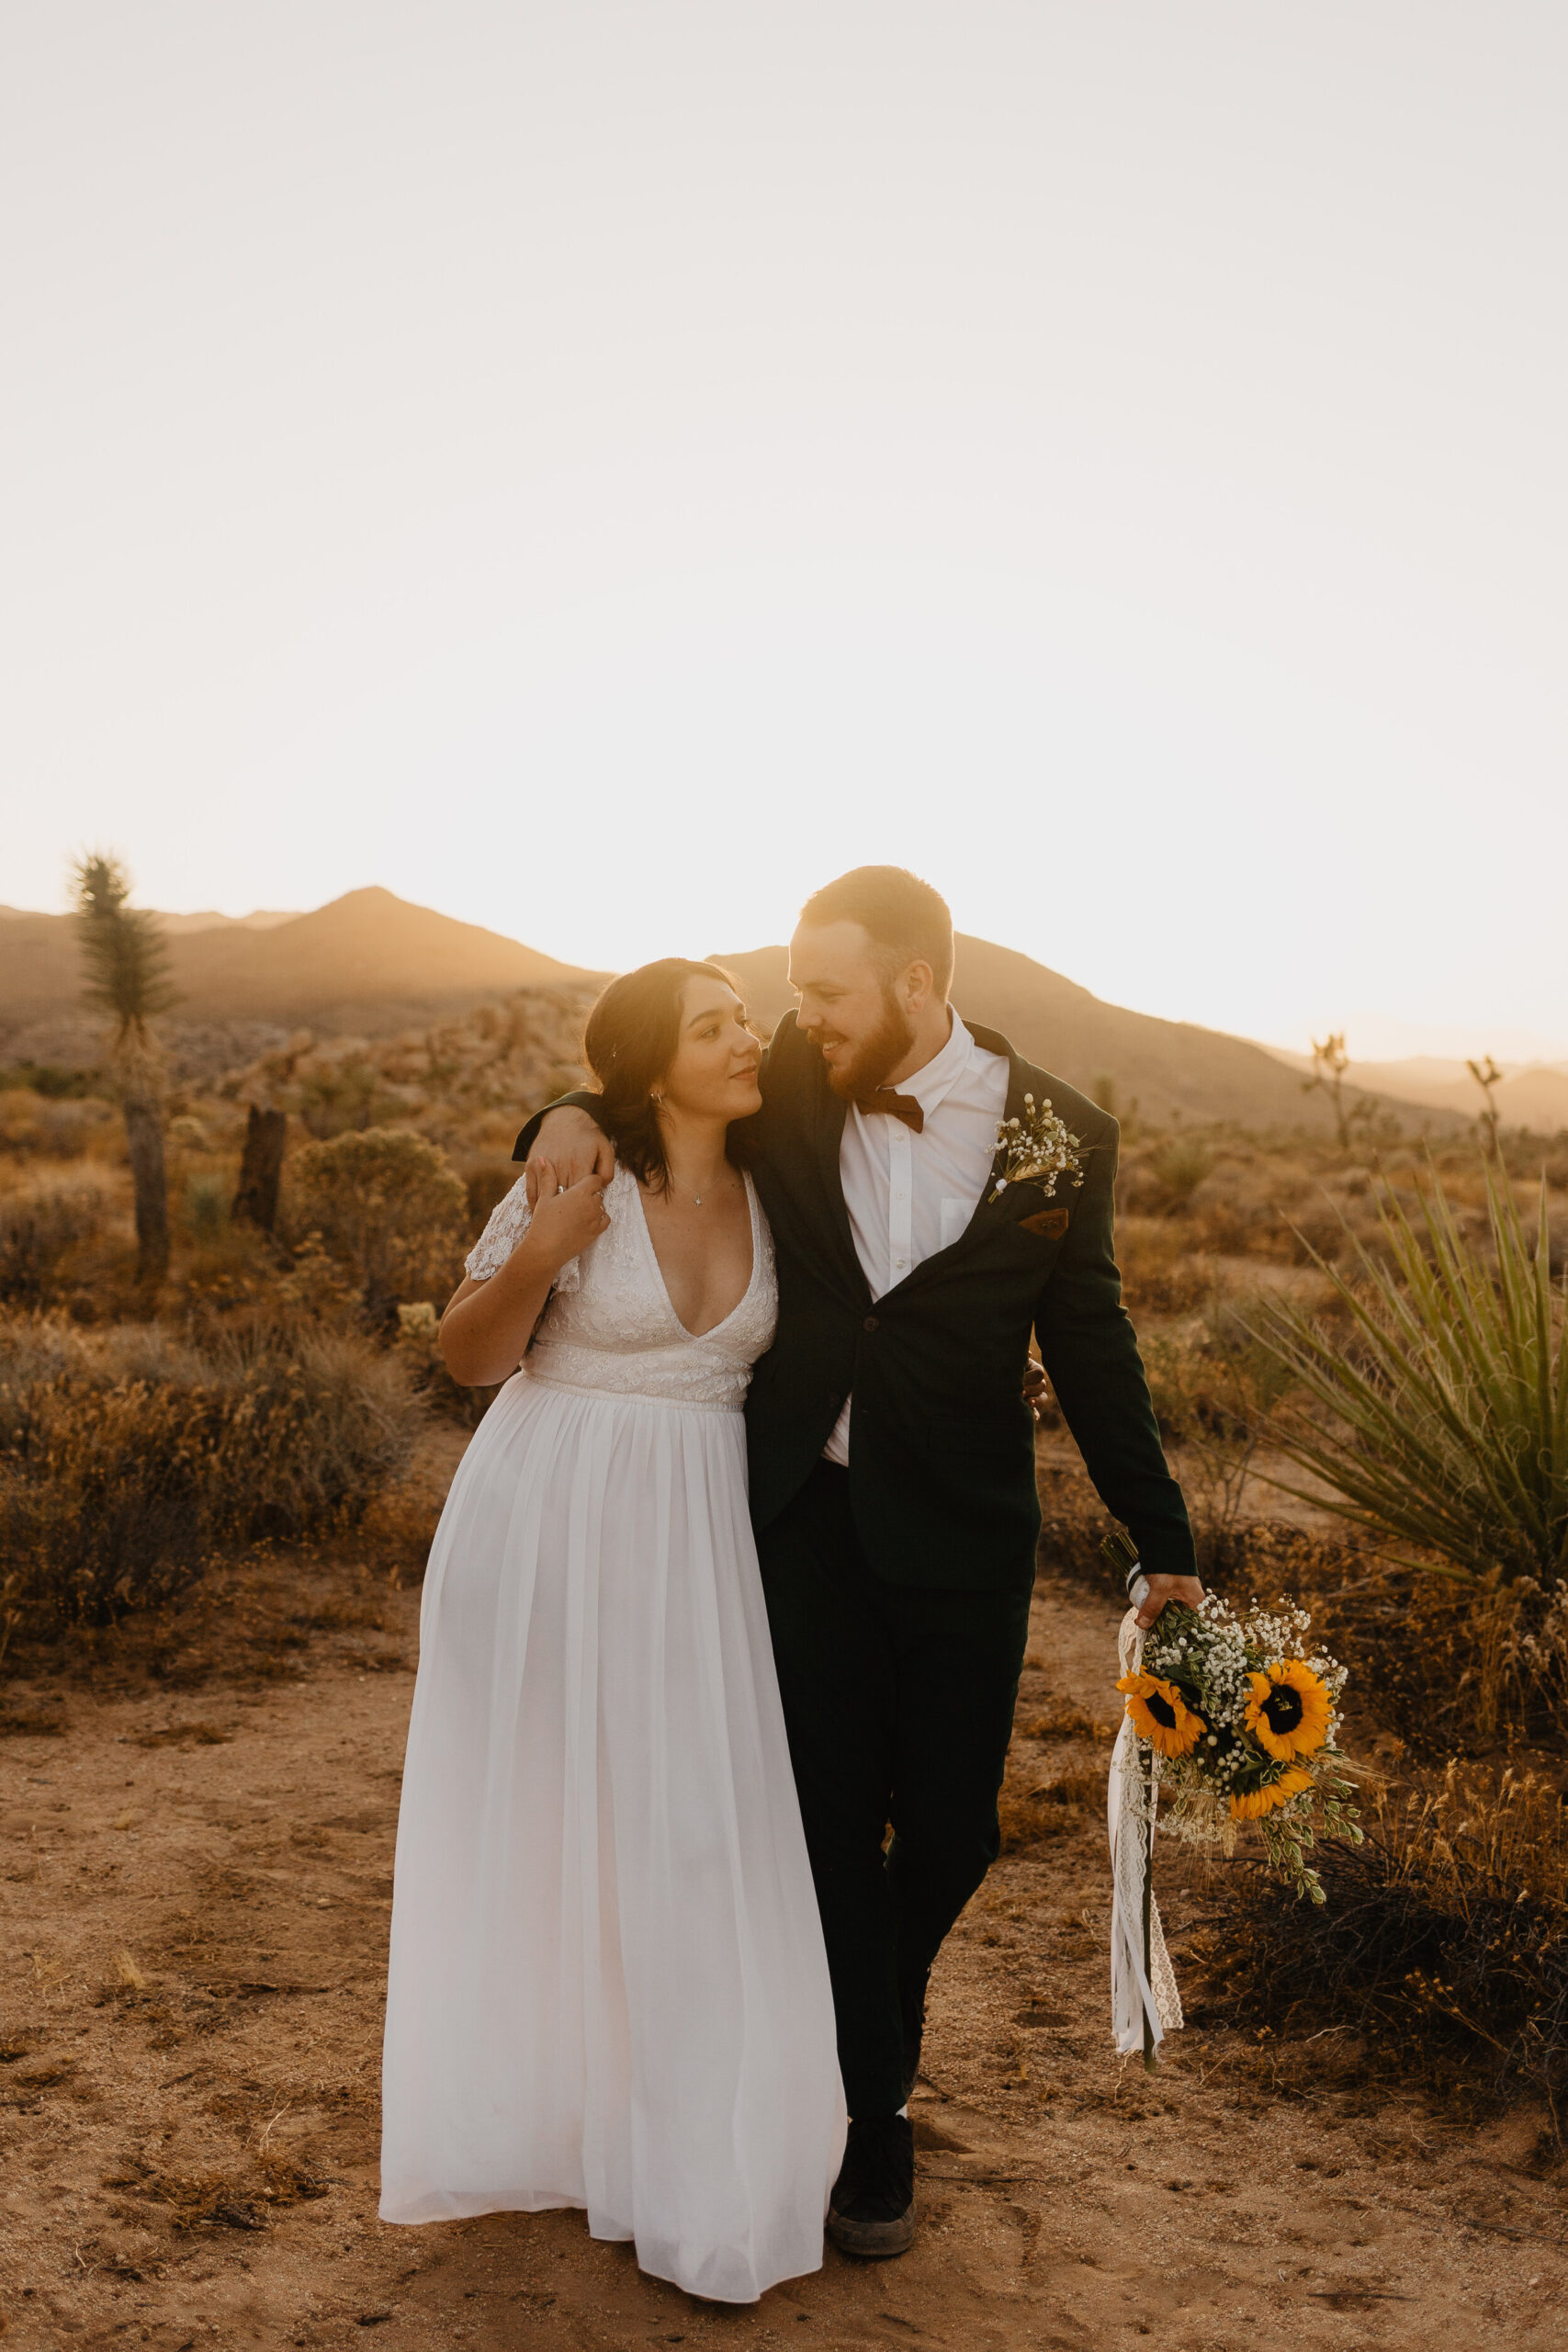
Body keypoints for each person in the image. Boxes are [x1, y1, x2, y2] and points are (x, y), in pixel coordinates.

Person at [522, 867, 1201, 2261]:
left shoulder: (1066, 1137)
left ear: (911, 984)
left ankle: (868, 2024)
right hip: (799, 1522)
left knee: (955, 1831)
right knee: (825, 1827)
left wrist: (1165, 1537)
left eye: (824, 991)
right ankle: (872, 2116)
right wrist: (565, 1113)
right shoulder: (793, 1072)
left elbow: (1092, 1338)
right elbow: (647, 1073)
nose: (796, 1017)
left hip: (965, 1531)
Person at [379, 960, 845, 2305]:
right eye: (715, 1028)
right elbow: (469, 1358)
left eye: (747, 1018)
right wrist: (539, 1251)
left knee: (690, 1834)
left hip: (696, 1546)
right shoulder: (573, 1181)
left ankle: (691, 2158)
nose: (749, 1039)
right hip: (540, 1528)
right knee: (548, 1830)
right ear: (649, 1069)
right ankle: (554, 2126)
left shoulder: (781, 1181)